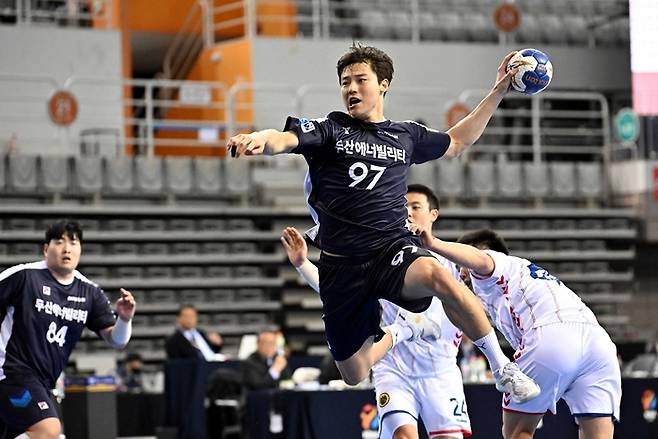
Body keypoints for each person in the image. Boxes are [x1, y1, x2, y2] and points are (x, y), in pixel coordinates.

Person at [228, 44, 538, 404]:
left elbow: (457, 141)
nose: (351, 89)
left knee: (439, 276)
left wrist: (498, 89)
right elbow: (282, 138)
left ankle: (502, 367)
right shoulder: (331, 131)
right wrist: (256, 139)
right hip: (341, 265)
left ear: (384, 84)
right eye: (345, 82)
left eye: (361, 80)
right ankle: (398, 331)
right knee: (354, 372)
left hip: (390, 249)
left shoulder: (405, 135)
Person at [281, 184, 472, 439]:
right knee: (402, 436)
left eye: (415, 207)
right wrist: (303, 264)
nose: (408, 212)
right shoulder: (378, 258)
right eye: (403, 206)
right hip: (393, 370)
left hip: (440, 372)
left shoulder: (451, 262)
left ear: (433, 214)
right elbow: (338, 294)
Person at [414, 228, 621, 439]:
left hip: (553, 335)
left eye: (460, 265)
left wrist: (433, 243)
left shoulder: (497, 264)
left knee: (517, 431)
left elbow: (480, 260)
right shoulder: (516, 283)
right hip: (599, 344)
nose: (459, 272)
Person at [0, 219, 136, 439]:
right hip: (9, 371)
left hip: (45, 382)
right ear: (46, 249)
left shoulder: (90, 292)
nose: (67, 248)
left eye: (73, 242)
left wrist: (125, 319)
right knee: (48, 429)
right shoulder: (24, 276)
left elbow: (117, 340)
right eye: (59, 242)